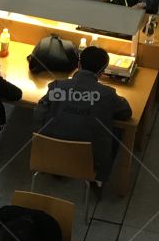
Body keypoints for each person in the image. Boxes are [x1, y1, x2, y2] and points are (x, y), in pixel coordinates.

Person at [33, 45, 132, 186]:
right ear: (102, 72)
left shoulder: (58, 86)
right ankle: (99, 180)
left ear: (79, 64)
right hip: (88, 161)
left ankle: (58, 168)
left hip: (49, 152)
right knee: (117, 129)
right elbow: (126, 113)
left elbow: (39, 113)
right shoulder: (107, 94)